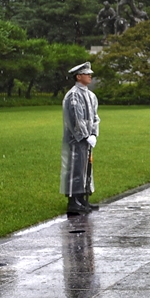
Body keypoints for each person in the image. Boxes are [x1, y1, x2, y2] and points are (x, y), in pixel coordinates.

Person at [62, 62, 100, 215]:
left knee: (85, 168)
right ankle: (73, 201)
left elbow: (95, 117)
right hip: (76, 139)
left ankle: (83, 197)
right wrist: (85, 135)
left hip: (88, 138)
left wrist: (94, 133)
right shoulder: (74, 95)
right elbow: (76, 120)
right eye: (87, 74)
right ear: (78, 76)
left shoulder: (90, 95)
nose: (90, 76)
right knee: (75, 168)